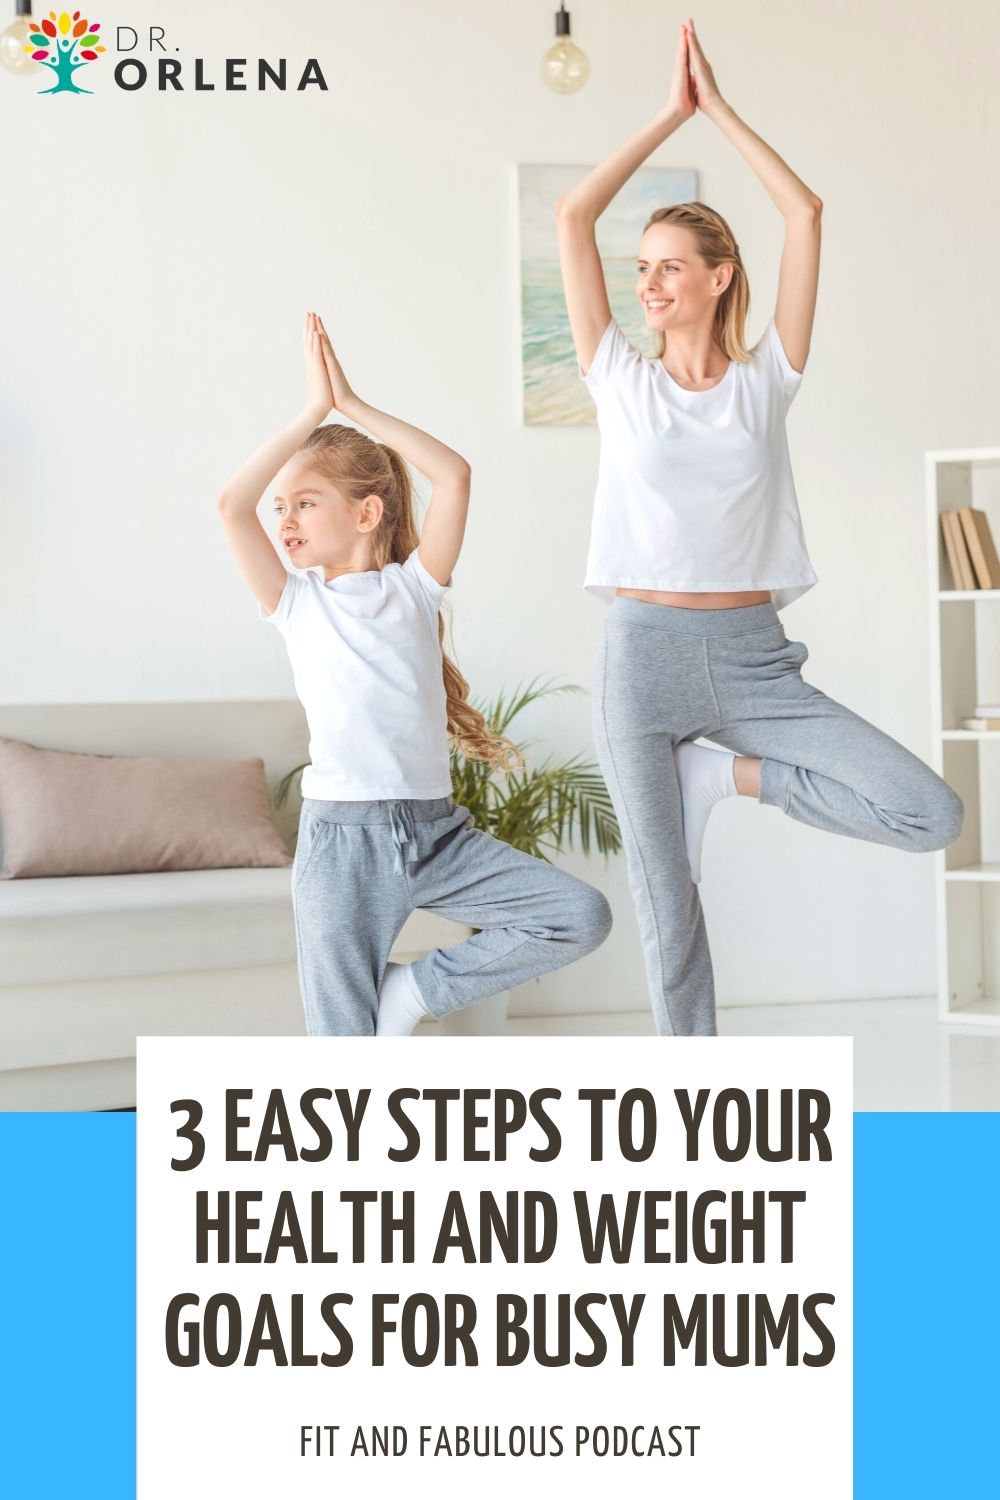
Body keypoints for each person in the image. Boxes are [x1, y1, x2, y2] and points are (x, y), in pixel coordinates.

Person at [554, 17, 963, 1037]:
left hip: (752, 660)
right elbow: (571, 215)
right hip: (640, 658)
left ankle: (724, 775)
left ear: (719, 275)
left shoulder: (763, 382)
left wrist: (719, 111)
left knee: (930, 812)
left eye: (668, 267)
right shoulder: (618, 380)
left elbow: (804, 210)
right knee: (666, 907)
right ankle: (695, 1105)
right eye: (641, 269)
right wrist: (662, 116)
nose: (646, 286)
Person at [217, 312, 611, 1037]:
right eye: (283, 507)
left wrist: (354, 408)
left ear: (368, 512)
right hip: (343, 845)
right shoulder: (295, 604)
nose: (285, 520)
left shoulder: (415, 587)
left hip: (437, 833)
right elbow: (230, 506)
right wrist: (310, 412)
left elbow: (454, 474)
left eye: (305, 503)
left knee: (579, 915)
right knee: (344, 1061)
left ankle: (412, 993)